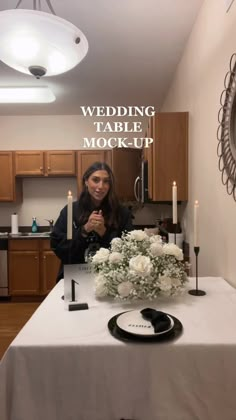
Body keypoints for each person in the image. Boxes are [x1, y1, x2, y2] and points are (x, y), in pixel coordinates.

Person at [50, 161, 133, 281]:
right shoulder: (70, 211)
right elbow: (58, 247)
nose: (100, 186)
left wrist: (104, 233)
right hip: (75, 277)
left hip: (111, 278)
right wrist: (84, 230)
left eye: (106, 181)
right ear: (86, 181)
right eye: (95, 180)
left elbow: (128, 251)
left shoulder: (122, 213)